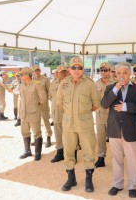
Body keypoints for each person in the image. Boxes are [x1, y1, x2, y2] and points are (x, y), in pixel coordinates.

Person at [101, 62, 136, 198]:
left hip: (131, 130)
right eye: (119, 73)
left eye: (125, 73)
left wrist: (126, 107)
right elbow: (104, 104)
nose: (122, 75)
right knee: (116, 160)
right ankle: (117, 184)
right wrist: (116, 89)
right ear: (115, 74)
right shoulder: (110, 88)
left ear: (130, 74)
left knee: (132, 159)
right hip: (114, 129)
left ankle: (132, 185)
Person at [57, 57, 99, 193]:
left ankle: (88, 180)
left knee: (89, 152)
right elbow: (60, 102)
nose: (76, 70)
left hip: (85, 124)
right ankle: (71, 179)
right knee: (68, 152)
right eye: (74, 67)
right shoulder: (63, 83)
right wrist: (71, 113)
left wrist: (82, 113)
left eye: (79, 67)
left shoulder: (90, 84)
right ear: (69, 69)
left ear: (83, 70)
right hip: (68, 124)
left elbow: (95, 104)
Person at [18, 67, 47, 161]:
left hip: (33, 113)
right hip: (23, 114)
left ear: (27, 74)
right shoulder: (21, 85)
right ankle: (27, 150)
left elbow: (43, 99)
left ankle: (37, 152)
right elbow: (21, 100)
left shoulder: (36, 85)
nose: (21, 76)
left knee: (37, 133)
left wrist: (35, 106)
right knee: (25, 132)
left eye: (22, 74)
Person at [94, 62, 117, 167]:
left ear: (110, 71)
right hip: (100, 114)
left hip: (111, 114)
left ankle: (116, 158)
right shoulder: (96, 83)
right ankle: (101, 158)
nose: (103, 72)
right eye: (101, 70)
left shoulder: (115, 83)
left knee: (114, 138)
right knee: (100, 137)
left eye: (105, 70)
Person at [49, 65, 69, 163]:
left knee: (70, 132)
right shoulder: (53, 83)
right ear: (57, 73)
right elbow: (50, 97)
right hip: (56, 112)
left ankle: (71, 153)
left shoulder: (71, 82)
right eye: (61, 72)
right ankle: (60, 153)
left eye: (65, 71)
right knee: (58, 133)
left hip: (68, 112)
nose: (63, 73)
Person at [32, 65, 53, 148]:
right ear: (33, 72)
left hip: (43, 104)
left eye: (38, 70)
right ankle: (36, 138)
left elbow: (49, 91)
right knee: (35, 122)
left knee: (45, 121)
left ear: (40, 71)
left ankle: (48, 138)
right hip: (34, 105)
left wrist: (46, 99)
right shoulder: (31, 80)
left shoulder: (45, 79)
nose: (36, 72)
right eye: (35, 71)